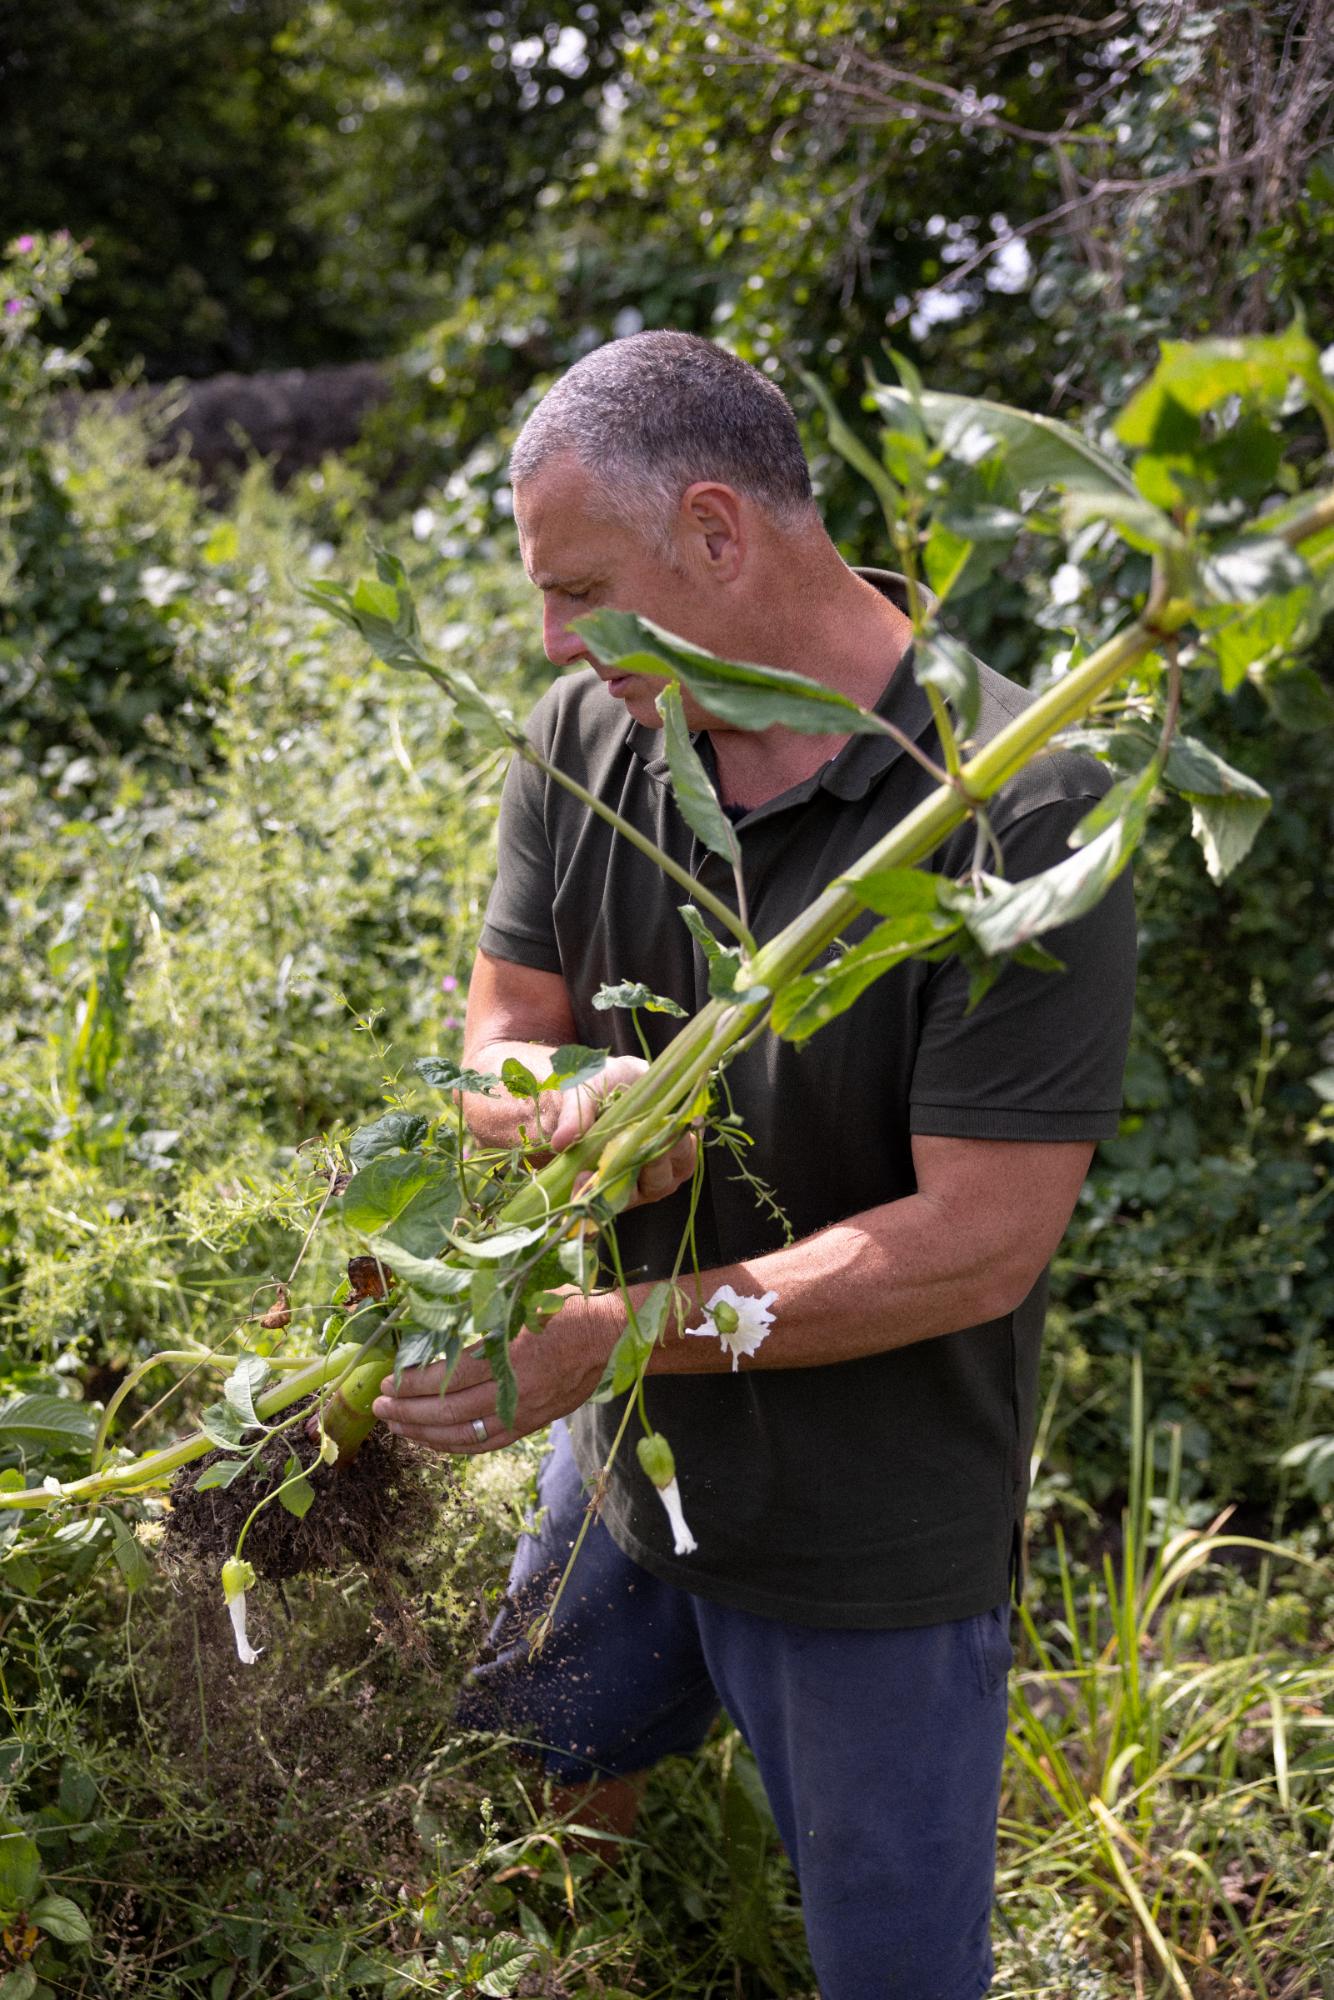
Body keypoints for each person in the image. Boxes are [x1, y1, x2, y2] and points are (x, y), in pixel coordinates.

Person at [372, 331, 1136, 1999]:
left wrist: (613, 1332)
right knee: (534, 1800)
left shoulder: (1014, 802)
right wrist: (572, 1105)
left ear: (717, 532)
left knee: (890, 1966)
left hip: (864, 1539)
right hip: (624, 1470)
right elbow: (496, 1032)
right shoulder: (590, 733)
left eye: (581, 590)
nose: (556, 641)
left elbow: (978, 1241)